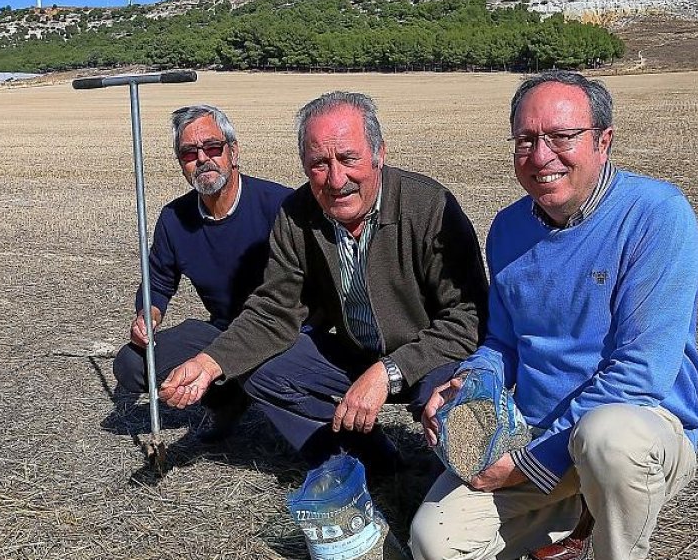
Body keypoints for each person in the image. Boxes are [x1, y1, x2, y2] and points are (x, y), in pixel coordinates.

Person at [410, 71, 698, 560]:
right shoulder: (507, 228)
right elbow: (503, 342)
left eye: (562, 137)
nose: (541, 156)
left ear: (603, 141)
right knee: (434, 543)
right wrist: (470, 382)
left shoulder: (657, 214)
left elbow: (642, 373)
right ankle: (577, 515)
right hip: (535, 429)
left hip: (638, 430)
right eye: (526, 139)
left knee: (608, 439)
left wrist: (528, 464)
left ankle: (609, 537)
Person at [159, 91, 489, 473]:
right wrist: (209, 363)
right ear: (302, 164)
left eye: (348, 158)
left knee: (452, 406)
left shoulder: (428, 205)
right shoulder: (296, 215)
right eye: (319, 163)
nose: (336, 179)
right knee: (262, 368)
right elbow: (273, 312)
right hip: (355, 353)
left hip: (428, 356)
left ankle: (462, 483)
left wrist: (387, 372)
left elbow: (469, 319)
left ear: (379, 153)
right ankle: (364, 454)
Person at [111, 104, 292, 441]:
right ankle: (228, 400)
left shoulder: (281, 206)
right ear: (181, 163)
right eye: (189, 152)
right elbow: (159, 280)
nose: (202, 159)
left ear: (233, 151)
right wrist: (149, 312)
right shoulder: (175, 219)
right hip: (222, 331)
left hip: (283, 332)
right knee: (132, 364)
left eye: (212, 147)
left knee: (264, 366)